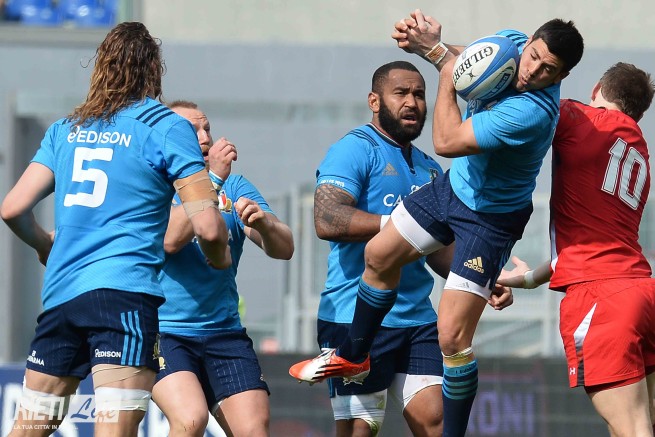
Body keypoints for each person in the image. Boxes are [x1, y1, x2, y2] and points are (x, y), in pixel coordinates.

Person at [290, 9, 584, 437]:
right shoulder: (513, 44)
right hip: (452, 191)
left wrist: (444, 69)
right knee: (380, 254)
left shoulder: (532, 111)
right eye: (534, 56)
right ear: (530, 42)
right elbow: (474, 60)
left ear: (562, 76)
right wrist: (435, 49)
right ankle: (354, 353)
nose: (532, 71)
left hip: (489, 219)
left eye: (548, 70)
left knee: (452, 337)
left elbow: (446, 140)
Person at [0, 22, 231, 437]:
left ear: (101, 67)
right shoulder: (165, 126)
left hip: (62, 297)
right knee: (115, 429)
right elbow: (209, 229)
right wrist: (219, 257)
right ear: (154, 70)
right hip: (122, 299)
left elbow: (12, 208)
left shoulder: (66, 129)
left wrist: (44, 245)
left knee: (28, 428)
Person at [288, 61, 513, 437]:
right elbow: (327, 219)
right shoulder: (353, 149)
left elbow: (437, 250)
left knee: (437, 422)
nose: (412, 102)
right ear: (374, 101)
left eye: (420, 95)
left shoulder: (430, 169)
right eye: (401, 93)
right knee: (360, 430)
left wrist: (482, 278)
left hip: (416, 321)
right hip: (353, 315)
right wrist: (400, 228)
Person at [498, 62, 655, 437]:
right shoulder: (638, 149)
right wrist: (528, 279)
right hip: (642, 293)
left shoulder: (579, 117)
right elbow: (590, 245)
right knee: (639, 424)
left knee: (633, 429)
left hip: (602, 299)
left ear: (597, 88)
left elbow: (522, 99)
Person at [152, 100, 294, 437]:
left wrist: (264, 225)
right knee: (190, 420)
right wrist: (212, 179)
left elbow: (285, 248)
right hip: (165, 333)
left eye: (207, 129)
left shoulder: (236, 185)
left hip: (224, 333)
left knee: (254, 430)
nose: (205, 138)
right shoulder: (155, 186)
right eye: (192, 130)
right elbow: (170, 239)